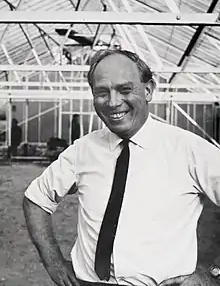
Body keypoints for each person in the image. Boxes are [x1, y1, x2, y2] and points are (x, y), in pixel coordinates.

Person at [23, 49, 220, 286]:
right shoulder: (83, 150)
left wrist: (212, 274)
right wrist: (53, 262)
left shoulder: (191, 150)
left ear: (148, 90)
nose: (113, 102)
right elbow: (36, 199)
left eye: (125, 90)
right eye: (102, 92)